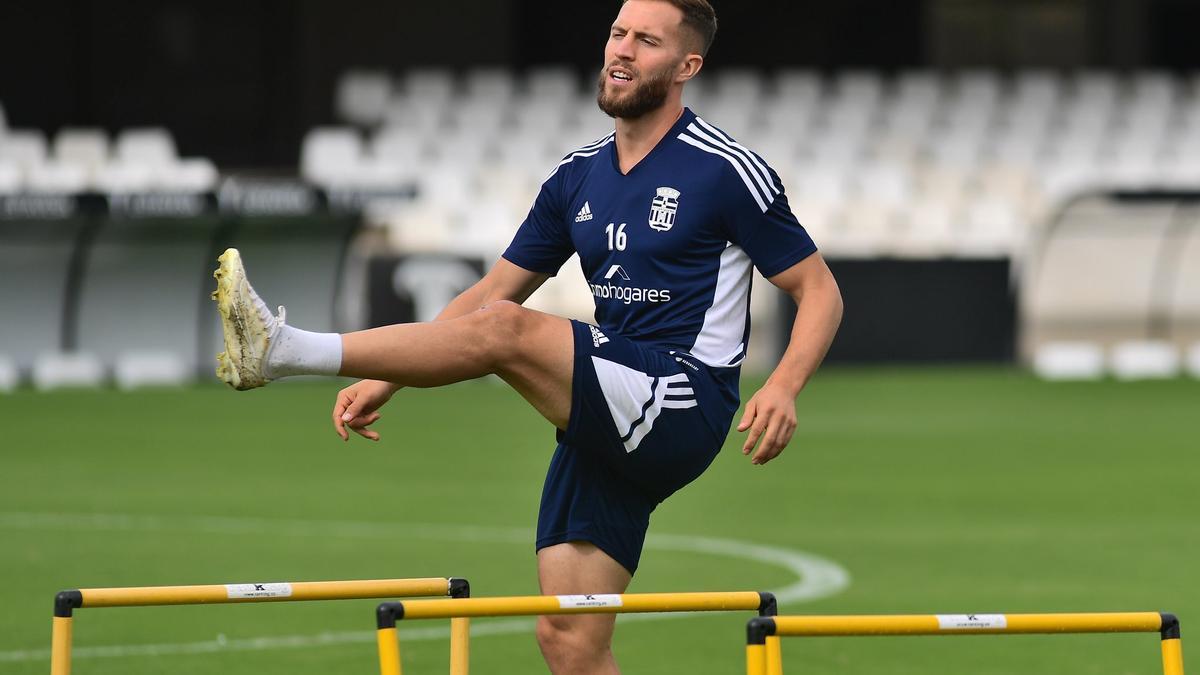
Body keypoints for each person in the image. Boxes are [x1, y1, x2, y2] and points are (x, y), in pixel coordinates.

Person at [212, 0, 842, 671]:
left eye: (647, 41)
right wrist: (388, 374)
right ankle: (292, 354)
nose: (622, 51)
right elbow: (487, 294)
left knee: (509, 333)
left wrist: (783, 384)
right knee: (569, 638)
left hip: (681, 397)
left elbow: (819, 290)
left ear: (688, 65)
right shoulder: (578, 175)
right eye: (617, 32)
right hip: (609, 405)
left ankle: (285, 351)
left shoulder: (724, 169)